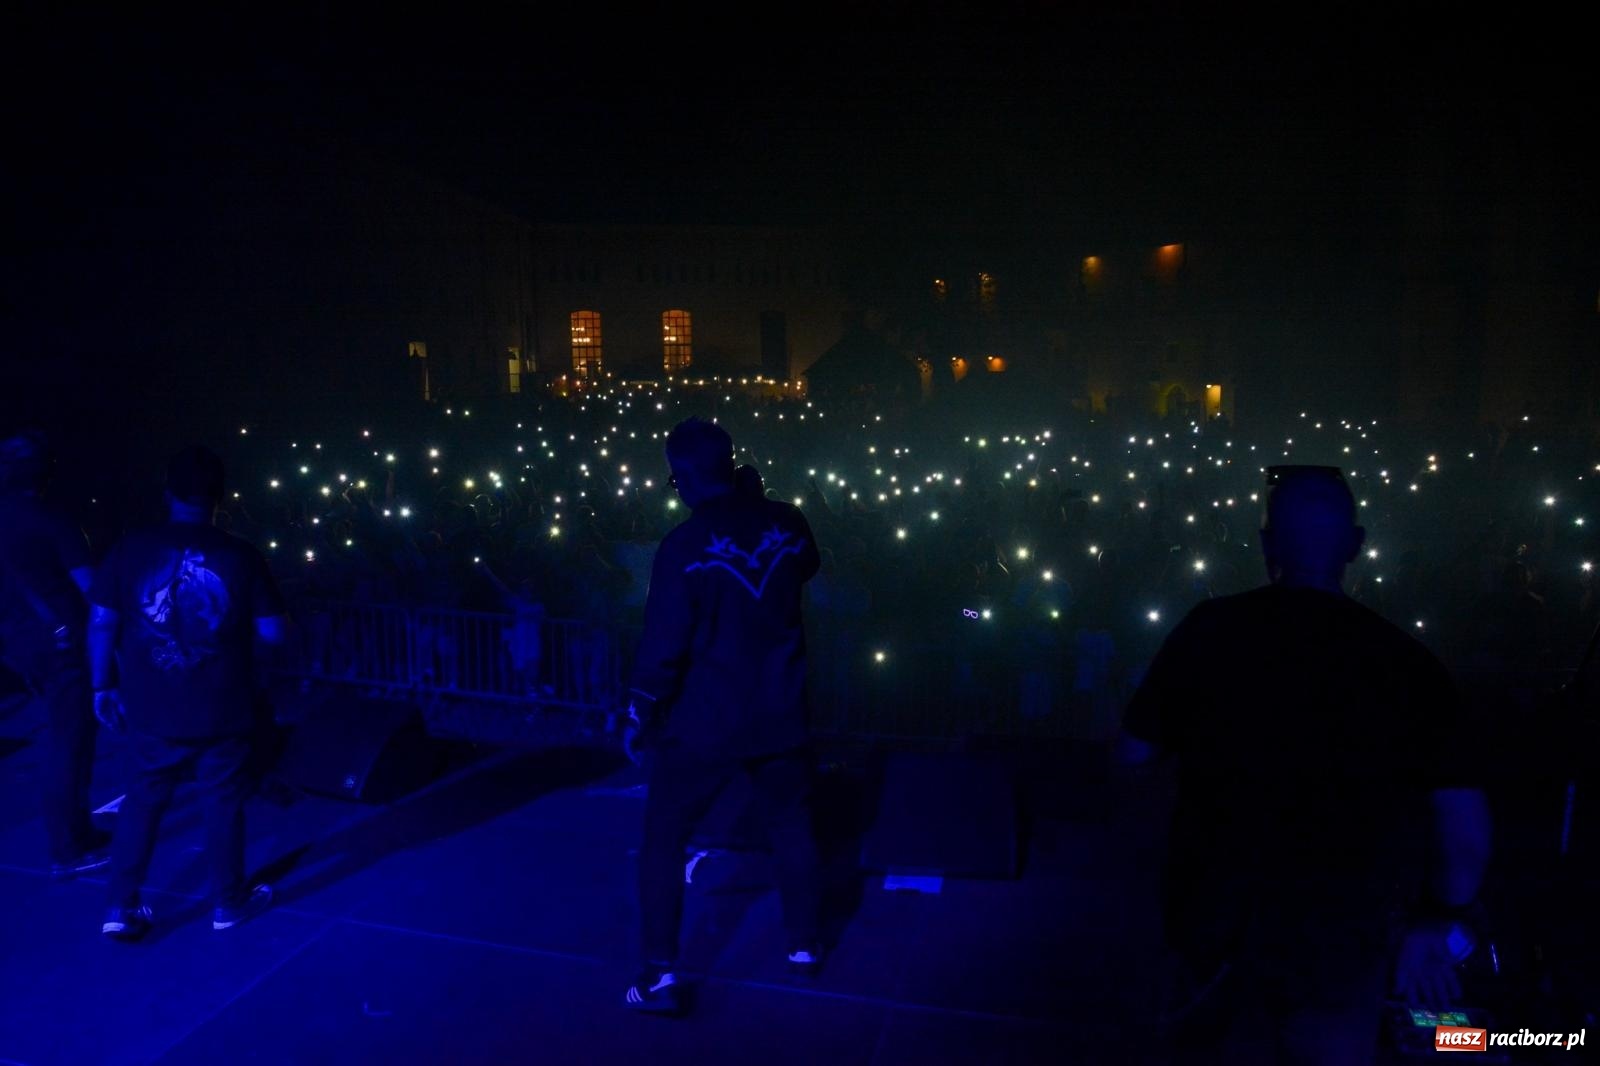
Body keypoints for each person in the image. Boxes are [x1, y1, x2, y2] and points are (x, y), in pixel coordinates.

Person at [1119, 465, 1491, 1064]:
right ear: (1356, 545)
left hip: (1215, 929)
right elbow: (1465, 834)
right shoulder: (1409, 665)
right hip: (1342, 947)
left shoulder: (1208, 632)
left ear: (1268, 543)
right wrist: (1440, 920)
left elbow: (1132, 757)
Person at [621, 418, 824, 1015]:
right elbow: (805, 567)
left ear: (682, 477)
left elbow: (664, 643)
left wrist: (638, 710)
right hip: (780, 708)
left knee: (663, 837)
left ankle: (659, 975)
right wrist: (754, 504)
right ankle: (805, 944)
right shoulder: (789, 524)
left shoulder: (683, 548)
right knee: (793, 826)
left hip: (707, 720)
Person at [88, 444, 290, 941]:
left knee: (142, 803)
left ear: (167, 492)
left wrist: (101, 683)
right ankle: (228, 904)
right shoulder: (241, 554)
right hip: (223, 706)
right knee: (222, 802)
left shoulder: (129, 548)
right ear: (219, 497)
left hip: (152, 708)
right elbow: (273, 634)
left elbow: (100, 621)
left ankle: (120, 905)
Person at [0, 430, 109, 879]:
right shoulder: (51, 518)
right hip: (64, 641)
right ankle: (69, 848)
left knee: (61, 739)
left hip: (23, 643)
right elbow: (91, 586)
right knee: (69, 743)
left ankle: (76, 833)